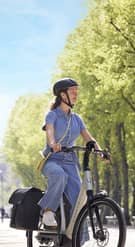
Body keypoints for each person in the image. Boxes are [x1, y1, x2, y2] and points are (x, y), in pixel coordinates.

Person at [38, 78, 105, 228]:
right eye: (72, 91)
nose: (76, 94)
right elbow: (50, 133)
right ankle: (48, 211)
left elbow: (89, 138)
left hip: (70, 162)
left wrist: (100, 152)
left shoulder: (77, 119)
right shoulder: (52, 115)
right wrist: (53, 144)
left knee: (79, 201)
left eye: (77, 91)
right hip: (52, 160)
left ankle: (75, 243)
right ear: (62, 95)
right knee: (59, 175)